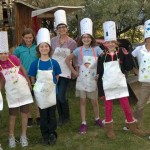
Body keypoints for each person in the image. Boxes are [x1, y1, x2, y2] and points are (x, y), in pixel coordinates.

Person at [97, 21, 146, 139]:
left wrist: (128, 55)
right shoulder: (102, 56)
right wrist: (101, 92)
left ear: (116, 42)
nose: (110, 44)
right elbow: (99, 74)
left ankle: (132, 126)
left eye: (112, 42)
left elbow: (128, 67)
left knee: (126, 106)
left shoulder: (122, 53)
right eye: (107, 42)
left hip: (120, 84)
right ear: (104, 44)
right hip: (107, 85)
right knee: (108, 108)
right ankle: (109, 129)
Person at [66, 18, 104, 134]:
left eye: (88, 37)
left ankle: (97, 118)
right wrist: (74, 71)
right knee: (82, 101)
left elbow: (105, 60)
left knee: (94, 101)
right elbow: (67, 60)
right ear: (81, 39)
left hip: (92, 79)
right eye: (84, 37)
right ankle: (83, 123)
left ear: (91, 39)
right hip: (82, 79)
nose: (86, 39)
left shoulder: (97, 49)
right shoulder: (78, 50)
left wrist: (99, 73)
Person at [0, 31, 33, 148]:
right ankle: (11, 136)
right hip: (11, 92)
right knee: (12, 114)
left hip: (23, 88)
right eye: (1, 54)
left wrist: (29, 83)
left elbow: (23, 70)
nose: (4, 55)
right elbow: (2, 80)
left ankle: (23, 135)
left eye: (5, 53)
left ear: (8, 52)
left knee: (24, 113)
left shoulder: (13, 58)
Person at [28, 28, 61, 145]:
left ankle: (52, 133)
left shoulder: (54, 63)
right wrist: (35, 87)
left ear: (49, 48)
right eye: (41, 46)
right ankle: (44, 134)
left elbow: (57, 75)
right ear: (38, 49)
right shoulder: (35, 63)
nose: (44, 48)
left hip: (52, 93)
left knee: (52, 114)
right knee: (43, 115)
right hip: (41, 94)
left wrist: (53, 85)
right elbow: (32, 77)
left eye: (46, 46)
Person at [51, 9, 77, 125]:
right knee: (56, 95)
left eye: (64, 27)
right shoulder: (52, 41)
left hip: (66, 71)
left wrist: (74, 70)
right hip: (54, 71)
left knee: (61, 95)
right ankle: (61, 117)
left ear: (67, 28)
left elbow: (74, 57)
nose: (62, 29)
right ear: (57, 29)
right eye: (60, 27)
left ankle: (66, 117)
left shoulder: (72, 43)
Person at [13, 28, 40, 127]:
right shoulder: (19, 49)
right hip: (23, 77)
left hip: (37, 76)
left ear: (33, 38)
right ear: (23, 38)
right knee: (27, 96)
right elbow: (14, 61)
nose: (28, 40)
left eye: (30, 37)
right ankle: (28, 117)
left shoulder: (37, 47)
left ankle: (38, 116)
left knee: (37, 95)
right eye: (26, 38)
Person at [132, 19, 150, 129]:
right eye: (149, 38)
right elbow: (129, 58)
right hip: (145, 83)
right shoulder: (139, 49)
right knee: (140, 105)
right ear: (145, 38)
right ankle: (133, 124)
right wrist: (134, 69)